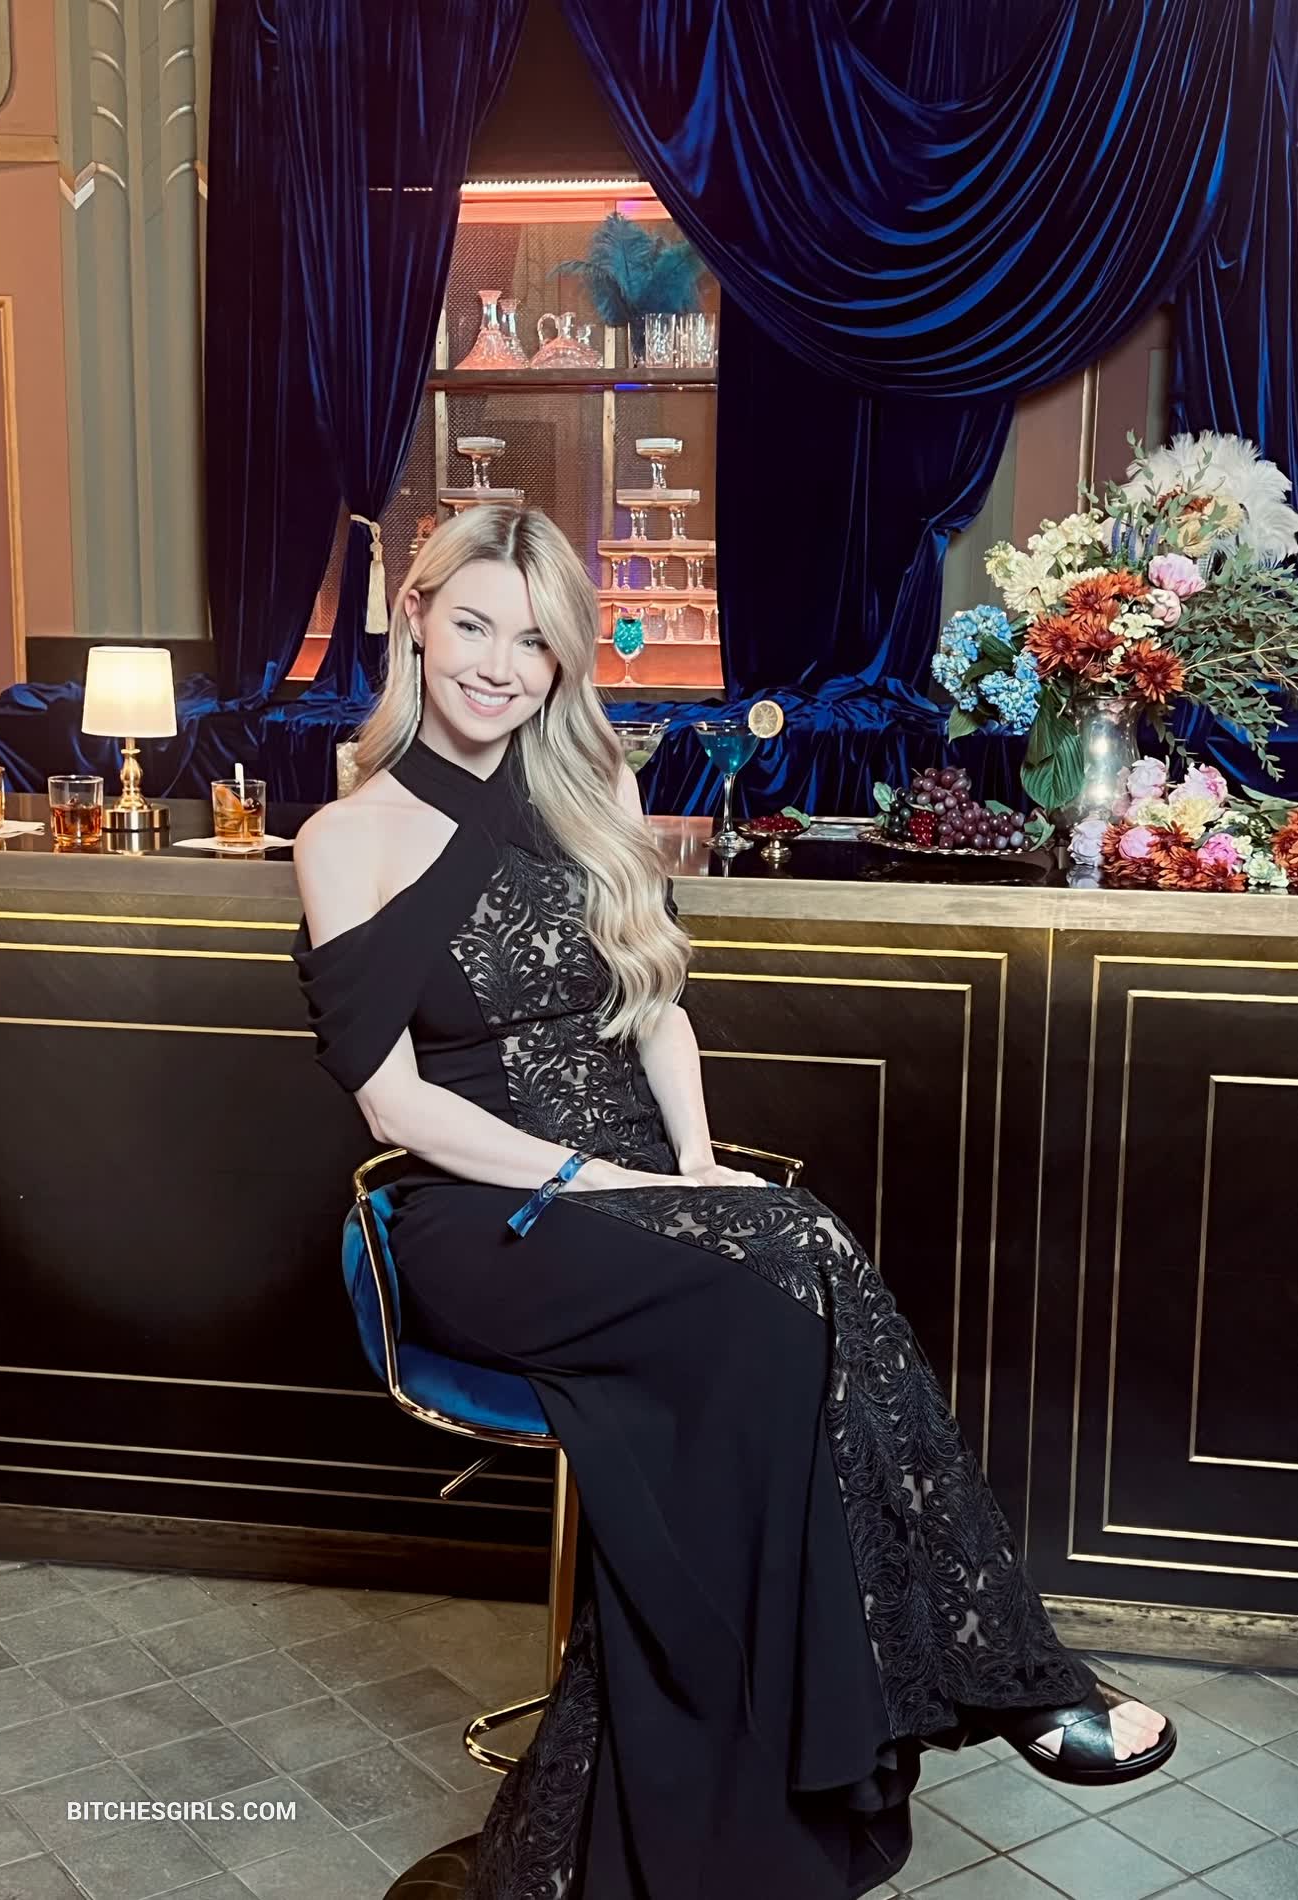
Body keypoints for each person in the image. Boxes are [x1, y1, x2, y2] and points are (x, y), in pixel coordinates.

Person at [291, 504, 1174, 1900]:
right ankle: (1008, 1672)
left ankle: (728, 1805)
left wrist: (694, 1170)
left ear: (564, 660)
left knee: (779, 1303)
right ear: (415, 618)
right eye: (472, 626)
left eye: (535, 642)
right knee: (799, 1252)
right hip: (481, 1211)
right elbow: (395, 1107)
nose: (499, 667)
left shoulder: (590, 795)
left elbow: (658, 1011)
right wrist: (605, 1180)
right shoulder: (349, 835)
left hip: (640, 1193)